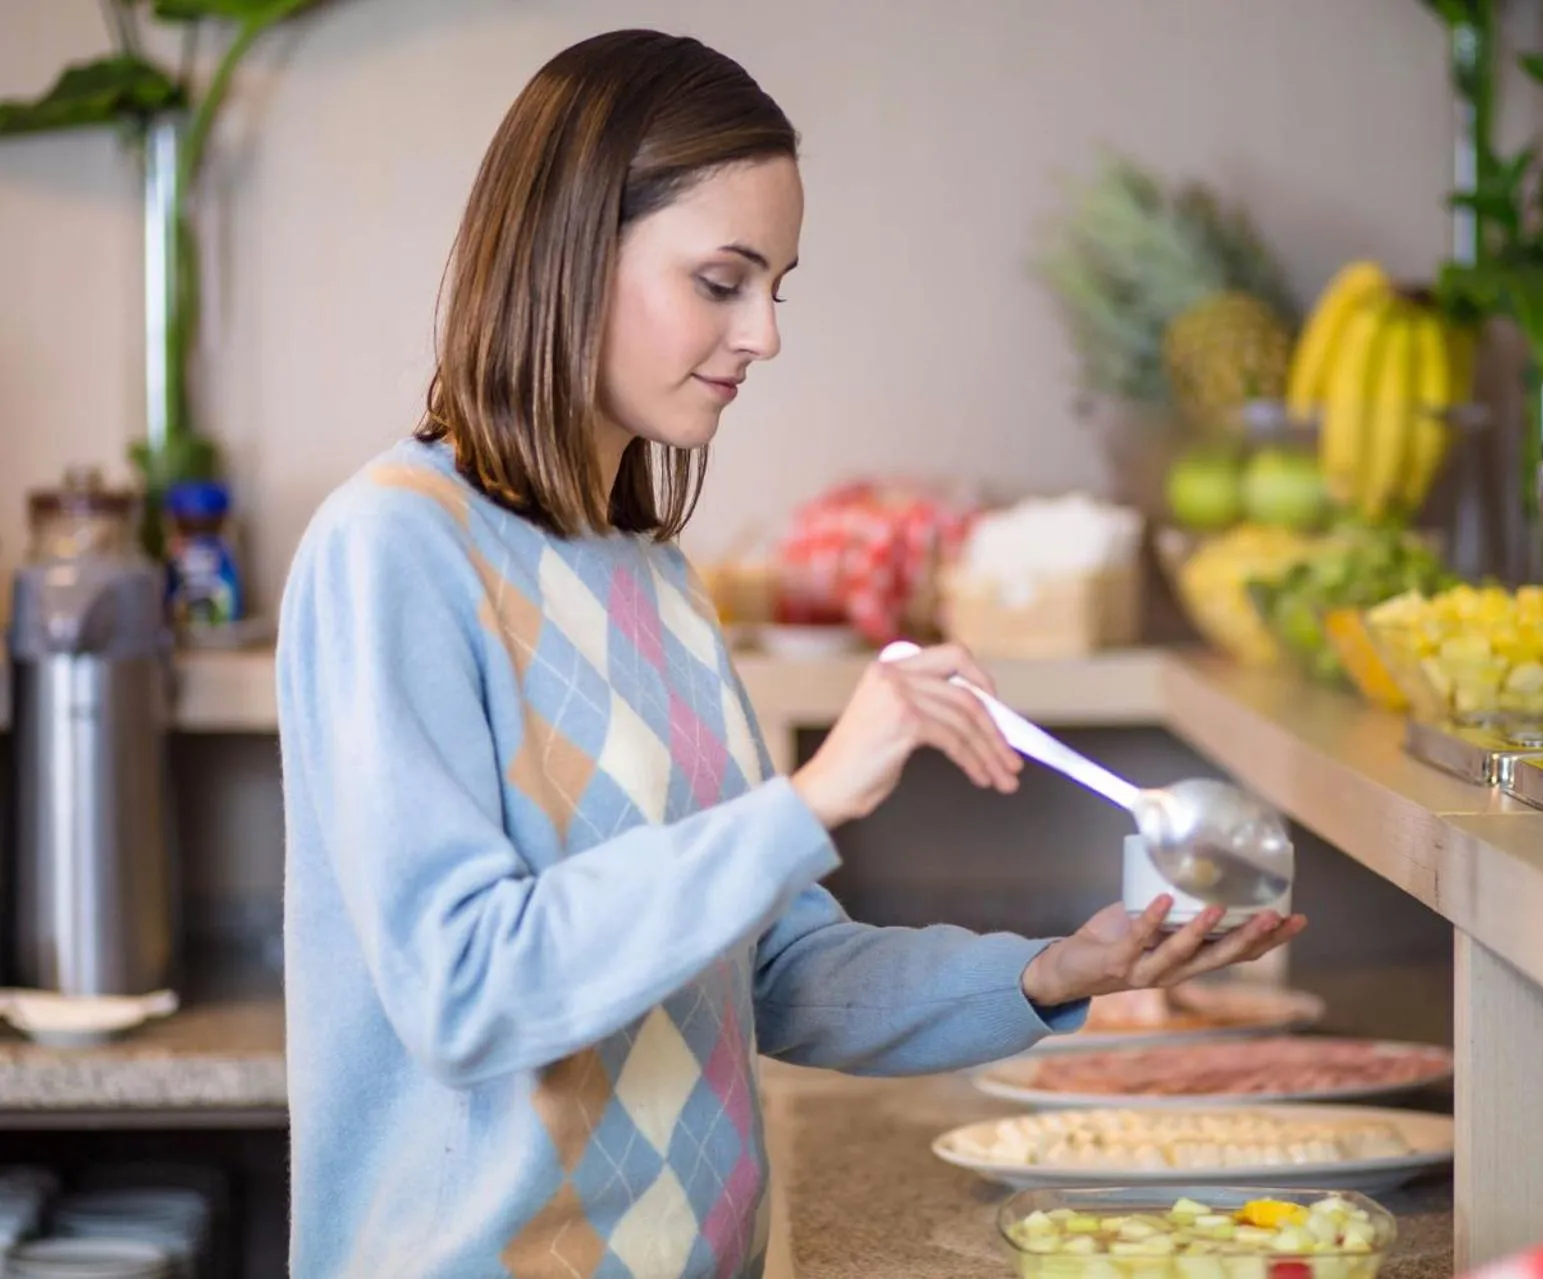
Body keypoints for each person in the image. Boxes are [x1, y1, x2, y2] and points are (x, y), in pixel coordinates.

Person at [276, 29, 1304, 1279]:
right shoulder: (393, 548)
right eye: (721, 280)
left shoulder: (658, 584)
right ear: (566, 254)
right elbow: (465, 988)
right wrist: (813, 797)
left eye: (779, 285)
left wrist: (1050, 972)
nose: (764, 333)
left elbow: (775, 970)